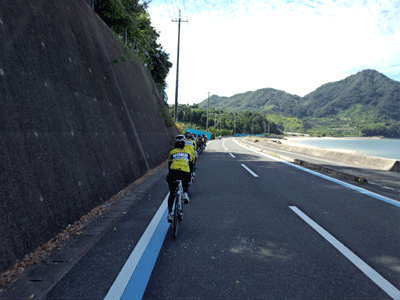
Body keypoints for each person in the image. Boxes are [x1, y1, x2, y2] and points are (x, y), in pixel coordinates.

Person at [166, 135, 194, 222]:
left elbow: (169, 165)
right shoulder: (189, 151)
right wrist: (191, 174)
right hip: (185, 172)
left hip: (173, 172)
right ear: (184, 143)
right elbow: (191, 164)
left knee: (172, 193)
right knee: (187, 175)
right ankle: (185, 193)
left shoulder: (172, 152)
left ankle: (170, 213)